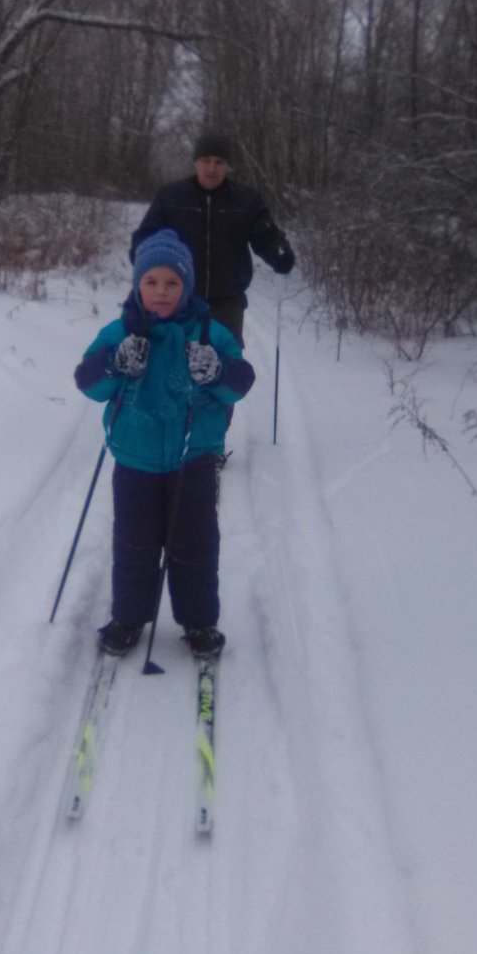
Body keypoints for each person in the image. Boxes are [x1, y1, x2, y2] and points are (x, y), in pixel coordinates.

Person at [74, 228, 255, 659]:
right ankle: (128, 618)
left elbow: (240, 382)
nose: (161, 291)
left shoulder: (209, 332)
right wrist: (116, 364)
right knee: (134, 544)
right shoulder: (120, 331)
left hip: (193, 460)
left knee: (195, 544)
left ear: (187, 286)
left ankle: (198, 622)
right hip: (135, 460)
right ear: (138, 285)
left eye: (172, 283)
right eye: (151, 282)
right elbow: (88, 382)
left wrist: (215, 371)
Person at [130, 130, 295, 342]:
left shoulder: (246, 200)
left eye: (219, 162)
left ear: (227, 165)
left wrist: (279, 252)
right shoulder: (171, 196)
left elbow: (265, 235)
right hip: (180, 299)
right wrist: (145, 262)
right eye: (206, 160)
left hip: (228, 303)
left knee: (225, 365)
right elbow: (146, 237)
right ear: (196, 162)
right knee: (175, 360)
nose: (212, 168)